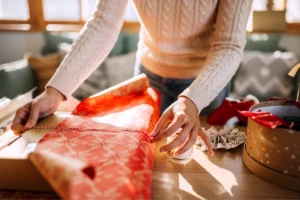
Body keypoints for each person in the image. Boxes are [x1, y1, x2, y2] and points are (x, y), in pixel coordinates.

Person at [12, 0, 252, 157]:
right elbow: (104, 24)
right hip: (148, 78)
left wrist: (193, 99)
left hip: (203, 87)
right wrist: (54, 92)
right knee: (143, 160)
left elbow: (229, 45)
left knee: (202, 163)